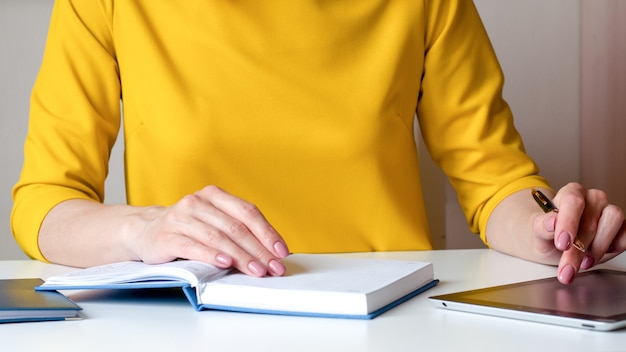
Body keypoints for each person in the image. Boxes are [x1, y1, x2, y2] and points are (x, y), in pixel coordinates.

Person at [12, 0, 625, 284]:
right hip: (194, 327)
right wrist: (140, 232)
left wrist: (550, 231)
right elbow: (45, 204)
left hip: (393, 326)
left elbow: (496, 185)